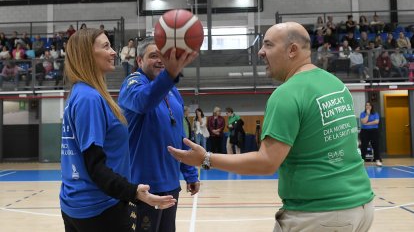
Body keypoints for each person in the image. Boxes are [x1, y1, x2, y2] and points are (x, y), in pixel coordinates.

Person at [168, 22, 375, 232]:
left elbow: (267, 162)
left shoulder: (287, 93)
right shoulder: (336, 84)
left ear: (292, 50)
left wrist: (206, 158)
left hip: (319, 213)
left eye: (268, 45)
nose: (260, 52)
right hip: (361, 206)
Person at [60, 29, 176, 232]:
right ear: (88, 54)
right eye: (106, 46)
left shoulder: (80, 94)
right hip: (99, 208)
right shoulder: (89, 98)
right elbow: (95, 165)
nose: (114, 52)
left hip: (78, 204)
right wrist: (134, 192)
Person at [118, 37, 200, 232]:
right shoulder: (132, 84)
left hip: (171, 183)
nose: (160, 60)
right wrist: (170, 74)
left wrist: (189, 173)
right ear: (139, 61)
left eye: (163, 56)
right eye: (153, 56)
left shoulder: (172, 90)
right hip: (142, 186)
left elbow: (180, 133)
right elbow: (144, 101)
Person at [359, 102, 382, 167]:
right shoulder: (362, 114)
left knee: (376, 146)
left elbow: (376, 122)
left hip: (374, 131)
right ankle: (362, 160)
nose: (368, 106)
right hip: (364, 132)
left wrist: (367, 124)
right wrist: (368, 115)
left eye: (369, 105)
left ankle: (377, 160)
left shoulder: (375, 114)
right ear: (365, 106)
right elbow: (363, 122)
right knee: (364, 146)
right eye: (366, 105)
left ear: (371, 106)